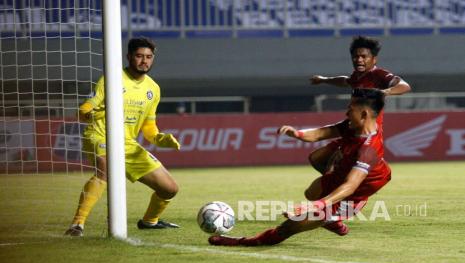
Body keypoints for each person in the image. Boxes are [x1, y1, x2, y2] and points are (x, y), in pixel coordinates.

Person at [209, 88, 391, 246]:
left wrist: (312, 207)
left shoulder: (368, 150)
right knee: (311, 190)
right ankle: (329, 221)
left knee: (287, 228)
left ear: (365, 114)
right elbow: (320, 133)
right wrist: (296, 133)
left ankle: (240, 241)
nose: (346, 113)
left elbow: (350, 187)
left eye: (350, 109)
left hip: (350, 197)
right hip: (341, 175)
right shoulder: (354, 125)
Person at [65, 37, 181, 237]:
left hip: (127, 143)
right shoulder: (112, 78)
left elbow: (149, 128)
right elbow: (85, 108)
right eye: (139, 56)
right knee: (106, 171)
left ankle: (149, 222)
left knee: (169, 188)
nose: (144, 61)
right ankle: (77, 224)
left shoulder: (153, 89)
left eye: (148, 57)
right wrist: (87, 113)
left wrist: (161, 139)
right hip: (100, 134)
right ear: (129, 57)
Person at [309, 35, 411, 175]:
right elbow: (345, 81)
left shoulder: (379, 75)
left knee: (330, 165)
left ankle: (348, 188)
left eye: (364, 56)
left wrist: (385, 92)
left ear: (374, 59)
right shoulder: (356, 77)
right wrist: (324, 80)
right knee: (317, 159)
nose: (359, 60)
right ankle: (341, 186)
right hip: (352, 131)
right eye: (356, 57)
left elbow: (404, 86)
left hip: (366, 136)